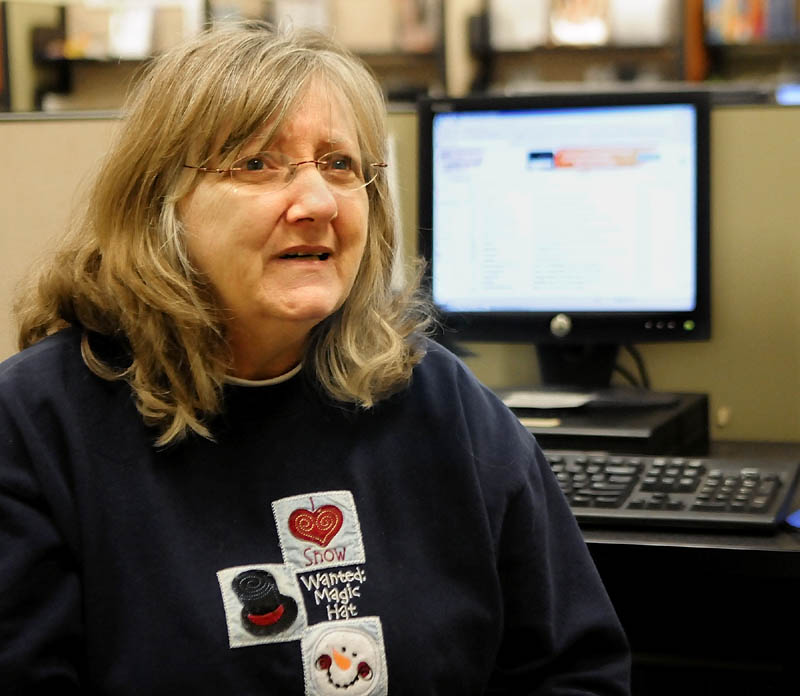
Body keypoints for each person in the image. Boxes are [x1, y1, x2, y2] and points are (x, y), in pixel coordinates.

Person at [0, 21, 630, 696]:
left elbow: (574, 670)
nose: (318, 203)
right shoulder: (39, 426)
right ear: (162, 203)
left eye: (339, 165)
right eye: (256, 164)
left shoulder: (442, 402)